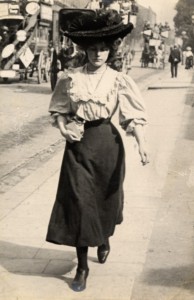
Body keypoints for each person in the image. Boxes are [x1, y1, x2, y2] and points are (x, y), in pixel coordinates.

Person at [46, 9, 149, 292]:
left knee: (104, 200)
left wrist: (141, 144)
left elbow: (132, 115)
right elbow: (58, 111)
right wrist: (63, 127)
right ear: (85, 50)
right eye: (93, 49)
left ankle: (103, 237)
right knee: (79, 202)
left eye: (103, 49)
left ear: (110, 50)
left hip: (107, 144)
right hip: (78, 145)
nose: (98, 54)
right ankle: (82, 267)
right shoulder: (70, 78)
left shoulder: (119, 79)